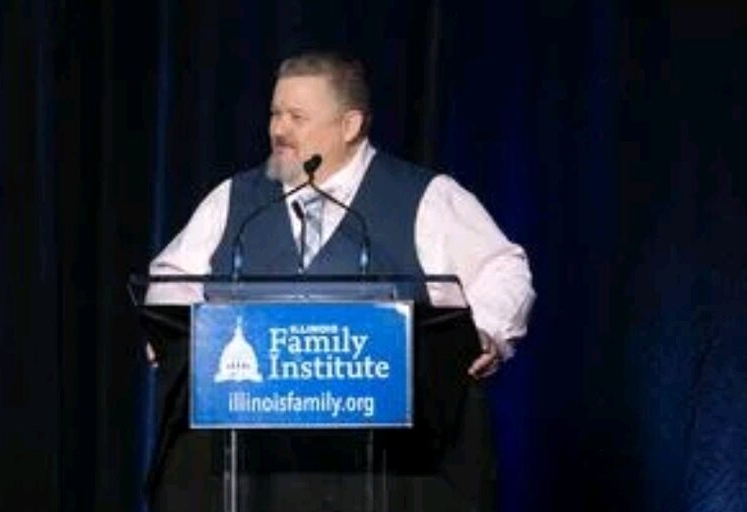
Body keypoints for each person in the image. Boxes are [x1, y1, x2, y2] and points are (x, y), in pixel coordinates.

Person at [145, 51, 535, 511]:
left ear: (350, 125)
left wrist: (486, 330)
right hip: (257, 471)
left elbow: (502, 268)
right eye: (274, 114)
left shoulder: (426, 198)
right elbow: (173, 276)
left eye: (296, 117)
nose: (278, 130)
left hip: (391, 469)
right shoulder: (235, 199)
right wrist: (172, 331)